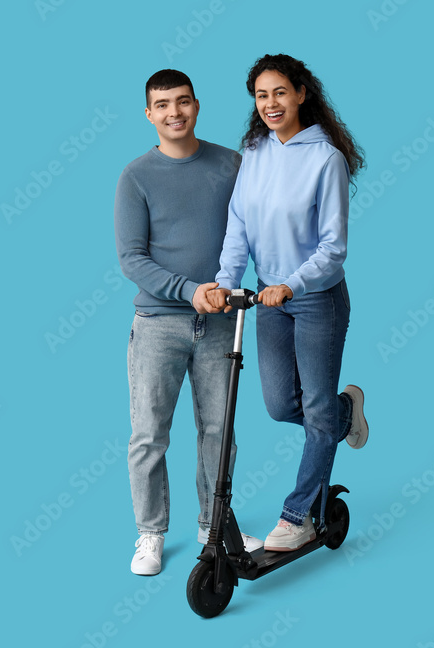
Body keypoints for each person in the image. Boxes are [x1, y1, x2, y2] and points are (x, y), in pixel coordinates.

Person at [208, 54, 369, 552]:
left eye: (280, 92)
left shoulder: (326, 159)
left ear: (301, 93)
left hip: (316, 298)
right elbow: (238, 223)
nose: (270, 103)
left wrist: (293, 285)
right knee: (281, 406)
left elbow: (333, 247)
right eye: (261, 95)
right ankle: (347, 413)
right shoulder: (254, 152)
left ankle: (299, 515)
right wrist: (225, 281)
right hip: (267, 296)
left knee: (315, 411)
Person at [114, 69, 262, 576]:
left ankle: (212, 526)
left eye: (182, 101)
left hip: (221, 322)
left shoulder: (230, 165)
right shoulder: (136, 177)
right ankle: (150, 533)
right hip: (158, 324)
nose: (173, 112)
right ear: (149, 114)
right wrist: (189, 291)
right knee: (148, 435)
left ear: (197, 105)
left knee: (220, 431)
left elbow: (253, 228)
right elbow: (132, 259)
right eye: (162, 104)